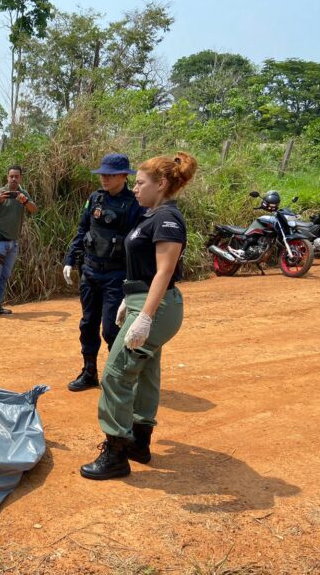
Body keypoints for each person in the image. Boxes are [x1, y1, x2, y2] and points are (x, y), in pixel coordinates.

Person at [80, 152, 197, 480]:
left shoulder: (167, 219)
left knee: (116, 375)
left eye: (141, 183)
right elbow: (144, 269)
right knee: (146, 372)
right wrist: (129, 299)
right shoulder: (152, 215)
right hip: (143, 300)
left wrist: (144, 315)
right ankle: (138, 442)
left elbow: (164, 271)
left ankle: (116, 453)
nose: (135, 188)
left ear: (161, 184)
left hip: (155, 306)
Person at [63, 154, 143, 391]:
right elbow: (82, 229)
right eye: (102, 174)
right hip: (89, 272)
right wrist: (70, 259)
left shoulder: (134, 205)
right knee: (88, 324)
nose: (104, 178)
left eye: (110, 175)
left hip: (116, 276)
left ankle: (118, 376)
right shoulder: (95, 198)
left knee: (111, 328)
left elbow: (138, 243)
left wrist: (134, 278)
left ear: (123, 176)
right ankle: (89, 372)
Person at [0, 166, 37, 320]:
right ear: (7, 177)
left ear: (20, 178)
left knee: (4, 275)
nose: (13, 179)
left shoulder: (23, 194)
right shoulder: (0, 192)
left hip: (13, 243)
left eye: (16, 176)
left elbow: (34, 210)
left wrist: (25, 201)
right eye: (11, 176)